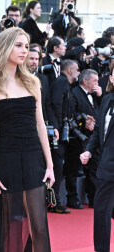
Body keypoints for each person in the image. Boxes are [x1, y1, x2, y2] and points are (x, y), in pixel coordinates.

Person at [0, 27, 54, 252]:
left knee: (38, 226)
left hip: (33, 158)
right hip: (4, 159)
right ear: (5, 47)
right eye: (19, 45)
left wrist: (50, 165)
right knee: (3, 227)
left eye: (26, 46)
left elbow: (40, 125)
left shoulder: (33, 82)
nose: (25, 51)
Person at [80, 64, 114, 252]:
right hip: (106, 168)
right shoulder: (107, 100)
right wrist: (89, 151)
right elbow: (99, 130)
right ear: (111, 78)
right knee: (101, 214)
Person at [50, 59, 80, 214]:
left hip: (61, 130)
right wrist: (60, 126)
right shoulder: (61, 82)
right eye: (77, 69)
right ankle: (53, 202)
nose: (79, 73)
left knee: (59, 166)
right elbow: (56, 104)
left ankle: (54, 201)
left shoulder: (65, 84)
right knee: (56, 166)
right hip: (58, 132)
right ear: (69, 71)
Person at [69, 69, 102, 209]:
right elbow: (71, 113)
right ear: (85, 81)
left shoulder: (96, 95)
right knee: (73, 169)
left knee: (94, 168)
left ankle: (94, 198)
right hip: (77, 137)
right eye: (95, 81)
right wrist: (84, 123)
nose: (97, 84)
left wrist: (100, 96)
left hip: (93, 138)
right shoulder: (74, 93)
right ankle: (72, 198)